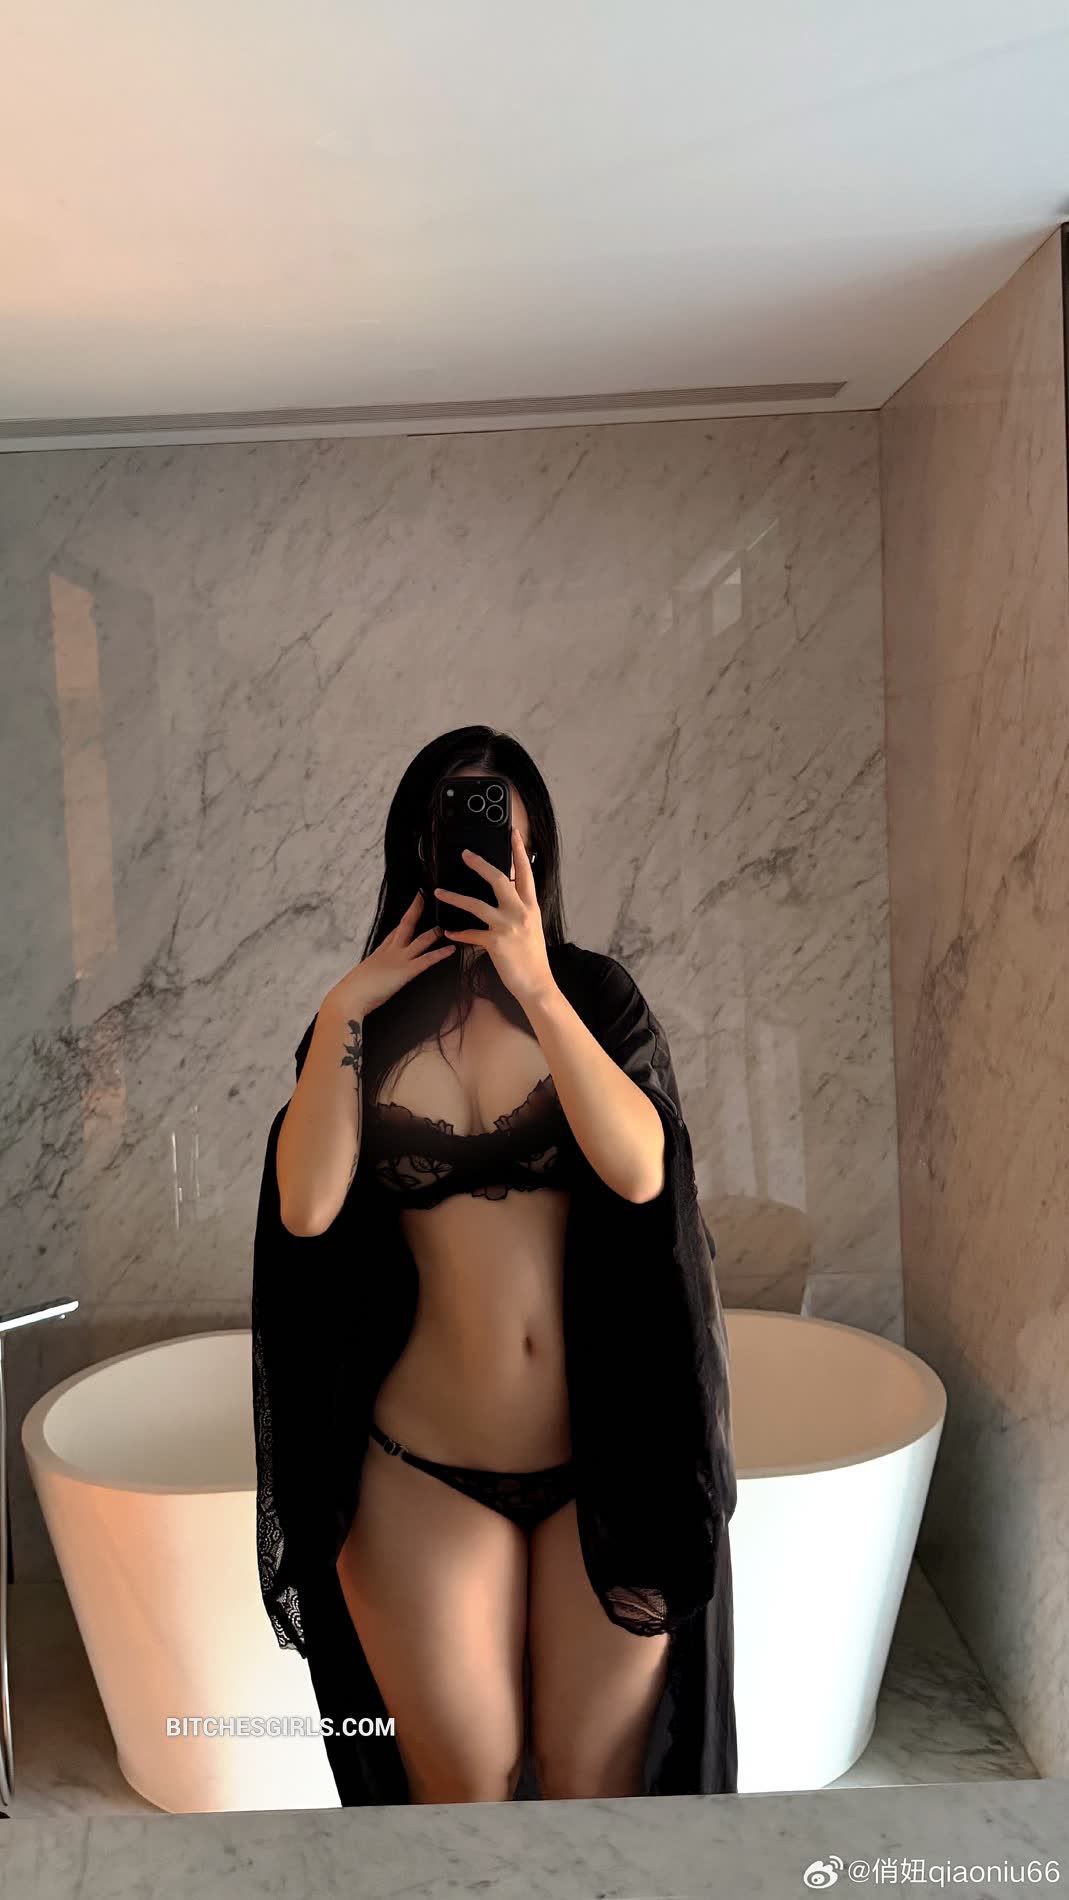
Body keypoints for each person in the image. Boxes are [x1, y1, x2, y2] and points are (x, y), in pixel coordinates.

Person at [251, 725, 737, 1806]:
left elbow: (641, 1171)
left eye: (497, 836)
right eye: (451, 831)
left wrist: (535, 984)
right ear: (413, 850)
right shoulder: (364, 1022)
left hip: (604, 1468)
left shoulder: (593, 996)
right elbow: (307, 1205)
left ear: (534, 852)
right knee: (460, 1794)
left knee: (593, 1788)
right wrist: (341, 1010)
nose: (475, 856)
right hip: (418, 1469)